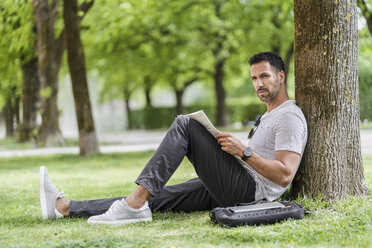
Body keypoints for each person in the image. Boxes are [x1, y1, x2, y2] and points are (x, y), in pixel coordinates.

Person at [39, 52, 307, 226]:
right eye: (254, 78)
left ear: (280, 77)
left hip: (248, 193)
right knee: (154, 197)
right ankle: (64, 208)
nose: (259, 84)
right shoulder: (270, 115)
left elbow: (284, 175)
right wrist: (236, 150)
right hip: (235, 181)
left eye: (264, 76)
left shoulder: (289, 117)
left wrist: (244, 152)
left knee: (186, 124)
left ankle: (133, 205)